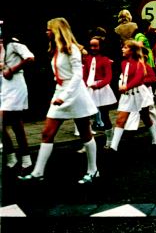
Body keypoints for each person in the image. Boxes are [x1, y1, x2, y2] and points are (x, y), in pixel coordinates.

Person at [19, 18, 99, 183]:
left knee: (85, 134)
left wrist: (64, 96)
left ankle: (93, 170)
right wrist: (57, 96)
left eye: (49, 29)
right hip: (61, 93)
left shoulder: (72, 49)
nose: (47, 32)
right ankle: (38, 172)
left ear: (57, 30)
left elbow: (77, 76)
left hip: (76, 94)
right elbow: (59, 78)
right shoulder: (55, 50)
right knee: (47, 133)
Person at [110, 40, 156, 151]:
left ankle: (155, 138)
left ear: (132, 51)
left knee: (145, 117)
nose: (122, 49)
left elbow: (138, 79)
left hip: (139, 93)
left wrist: (127, 86)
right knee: (120, 120)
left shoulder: (140, 64)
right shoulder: (123, 63)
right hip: (127, 95)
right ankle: (114, 146)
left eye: (125, 47)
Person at [1, 28, 35, 176]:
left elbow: (30, 58)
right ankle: (19, 158)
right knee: (15, 123)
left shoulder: (14, 44)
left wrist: (13, 69)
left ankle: (18, 158)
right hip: (3, 86)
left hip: (15, 84)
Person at [82, 36, 117, 149]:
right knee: (85, 118)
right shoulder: (87, 59)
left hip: (101, 89)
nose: (93, 48)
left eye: (95, 46)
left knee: (104, 116)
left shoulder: (105, 59)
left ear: (100, 46)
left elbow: (108, 77)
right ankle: (87, 144)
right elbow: (85, 75)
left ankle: (110, 141)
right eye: (91, 46)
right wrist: (85, 86)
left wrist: (98, 85)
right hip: (89, 88)